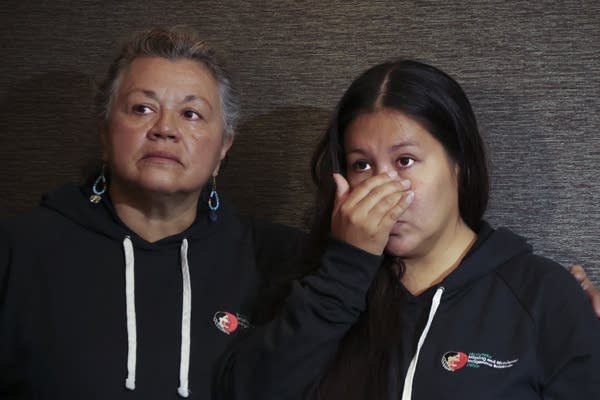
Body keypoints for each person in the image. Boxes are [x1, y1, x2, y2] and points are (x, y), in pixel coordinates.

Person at [216, 59, 600, 399]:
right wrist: (345, 268)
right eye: (362, 166)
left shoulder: (543, 294)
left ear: (459, 165)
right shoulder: (316, 285)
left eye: (405, 161)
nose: (383, 191)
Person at [0, 27, 317, 399]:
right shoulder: (19, 250)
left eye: (191, 113)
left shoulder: (277, 261)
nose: (165, 129)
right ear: (105, 132)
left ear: (223, 147)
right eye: (142, 108)